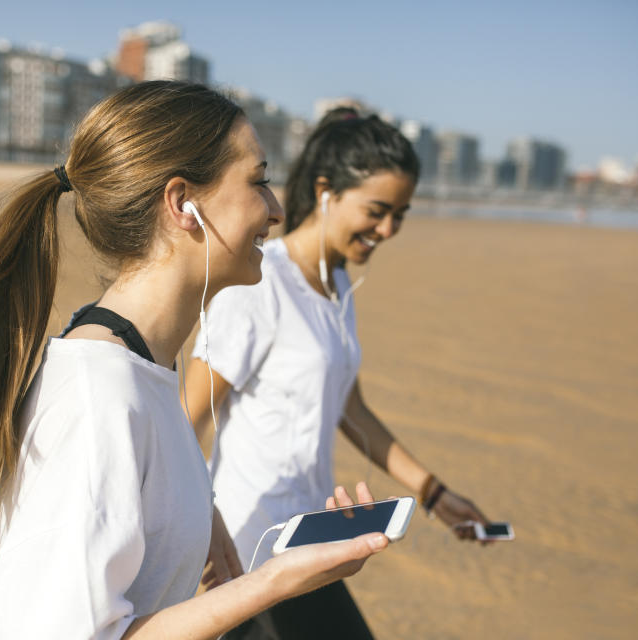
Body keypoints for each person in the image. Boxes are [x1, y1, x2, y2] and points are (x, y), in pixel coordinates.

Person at [0, 82, 394, 640]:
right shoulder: (99, 392)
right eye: (258, 181)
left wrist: (207, 515)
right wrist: (276, 582)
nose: (275, 210)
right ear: (183, 202)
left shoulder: (141, 367)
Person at [183, 109, 493, 639]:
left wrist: (436, 495)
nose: (388, 229)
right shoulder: (261, 282)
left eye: (400, 214)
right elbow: (185, 420)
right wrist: (203, 533)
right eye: (377, 210)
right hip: (252, 554)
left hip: (314, 543)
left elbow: (351, 409)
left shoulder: (339, 285)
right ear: (326, 191)